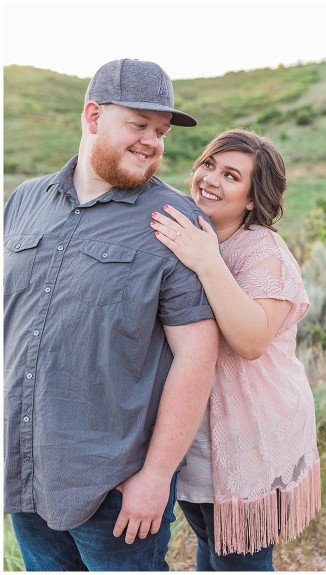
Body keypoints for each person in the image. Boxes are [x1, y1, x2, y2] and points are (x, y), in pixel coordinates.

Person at [4, 59, 219, 571]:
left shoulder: (174, 220)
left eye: (160, 132)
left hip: (115, 488)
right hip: (25, 467)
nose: (151, 142)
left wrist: (156, 477)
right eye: (139, 124)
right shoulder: (24, 201)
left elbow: (197, 356)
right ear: (93, 116)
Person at [150, 128, 321, 571]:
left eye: (231, 175)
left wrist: (207, 261)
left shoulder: (264, 252)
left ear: (251, 199)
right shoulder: (190, 231)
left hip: (254, 438)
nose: (211, 179)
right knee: (211, 547)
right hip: (196, 438)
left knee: (240, 560)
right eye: (209, 164)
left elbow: (251, 341)